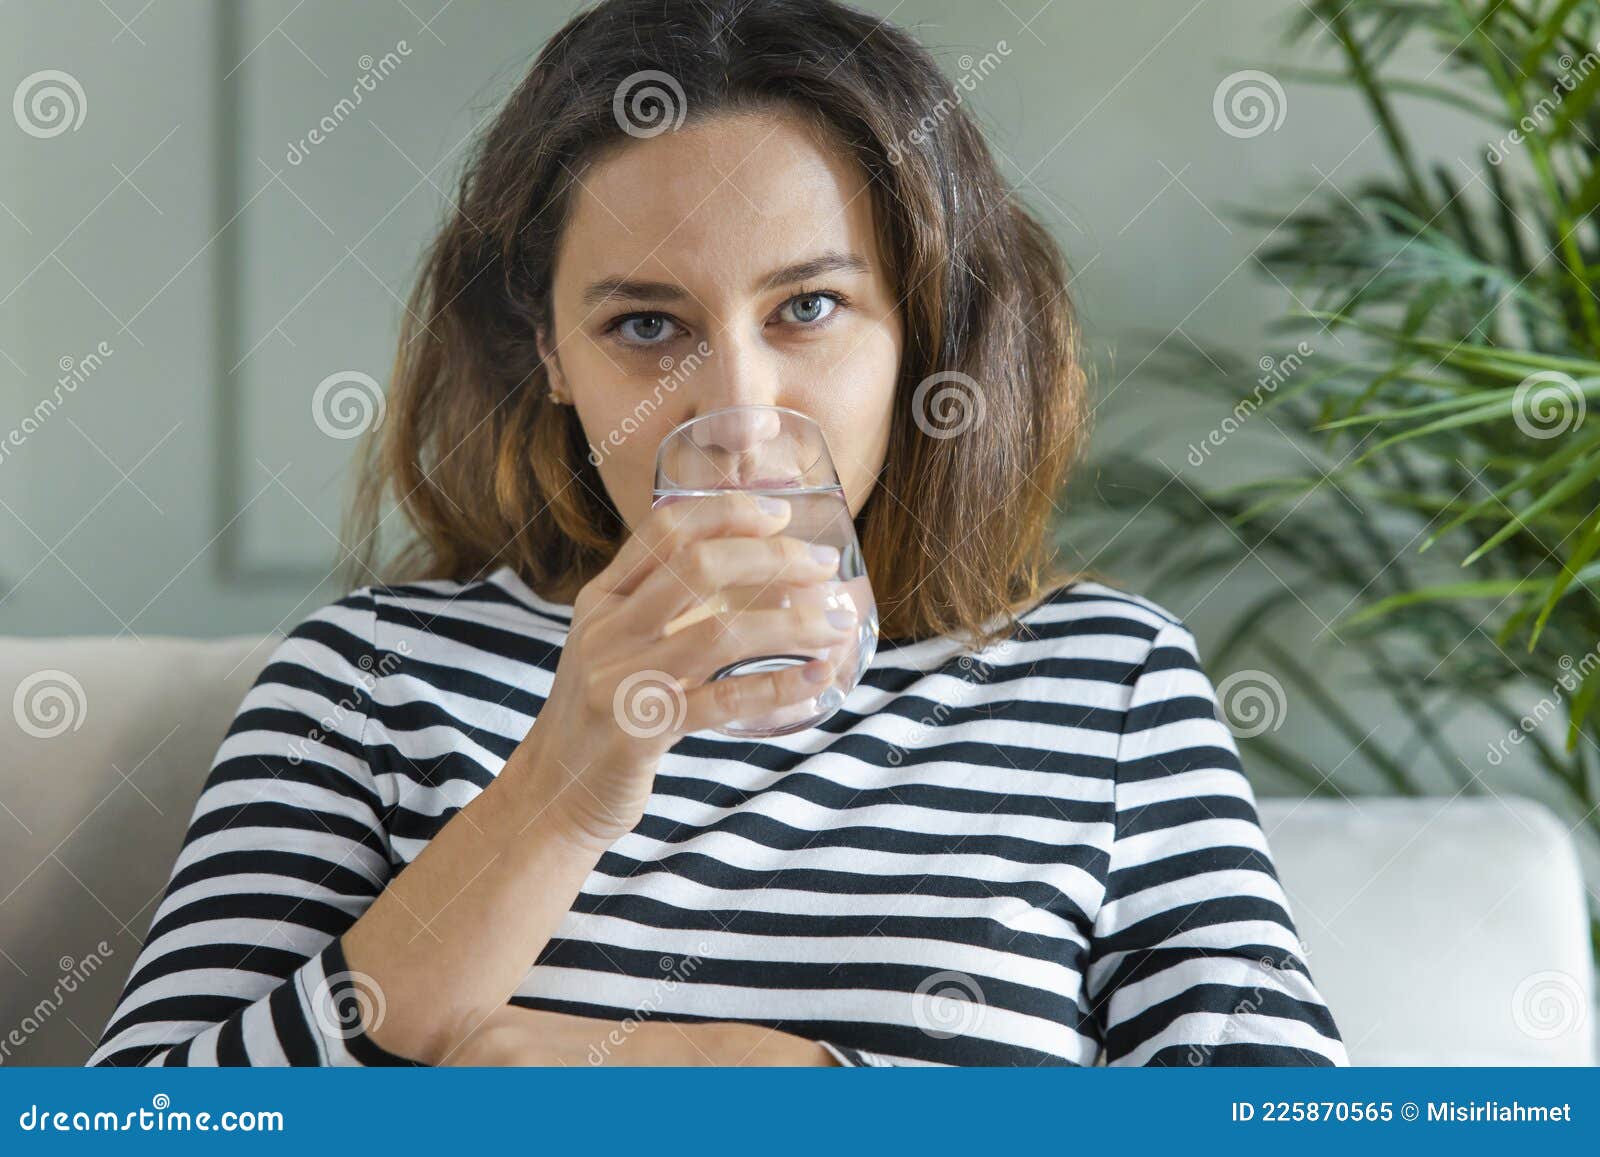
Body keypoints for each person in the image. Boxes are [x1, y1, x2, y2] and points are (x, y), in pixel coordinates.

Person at [87, 0, 1347, 1067]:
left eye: (807, 305)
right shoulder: (364, 680)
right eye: (647, 325)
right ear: (551, 354)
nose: (737, 415)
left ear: (919, 328)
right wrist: (558, 795)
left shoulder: (1104, 680)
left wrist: (769, 1079)